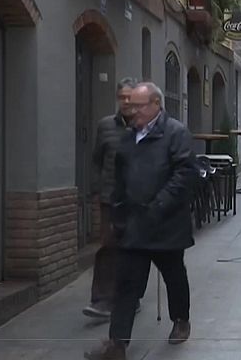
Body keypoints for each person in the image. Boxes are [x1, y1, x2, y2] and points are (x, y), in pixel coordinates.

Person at [85, 82, 198, 360]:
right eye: (130, 105)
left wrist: (158, 206)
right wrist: (119, 211)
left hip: (166, 225)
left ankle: (181, 320)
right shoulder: (128, 136)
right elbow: (119, 177)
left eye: (138, 105)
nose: (131, 110)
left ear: (156, 105)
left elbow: (185, 175)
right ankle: (117, 343)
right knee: (126, 284)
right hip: (133, 224)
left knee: (174, 276)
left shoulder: (176, 134)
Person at [83, 78, 138, 319]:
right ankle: (102, 300)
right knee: (108, 246)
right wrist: (96, 189)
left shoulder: (144, 125)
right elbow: (96, 159)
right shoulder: (105, 126)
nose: (126, 102)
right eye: (122, 97)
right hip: (109, 198)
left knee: (133, 249)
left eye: (130, 97)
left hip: (136, 199)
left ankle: (130, 296)